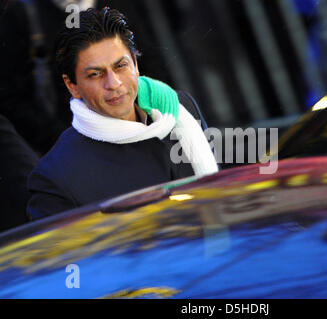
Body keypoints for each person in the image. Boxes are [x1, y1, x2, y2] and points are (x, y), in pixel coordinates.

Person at [27, 7, 218, 220]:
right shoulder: (56, 178)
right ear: (72, 86)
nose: (113, 83)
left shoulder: (181, 108)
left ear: (136, 65)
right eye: (95, 74)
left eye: (121, 66)